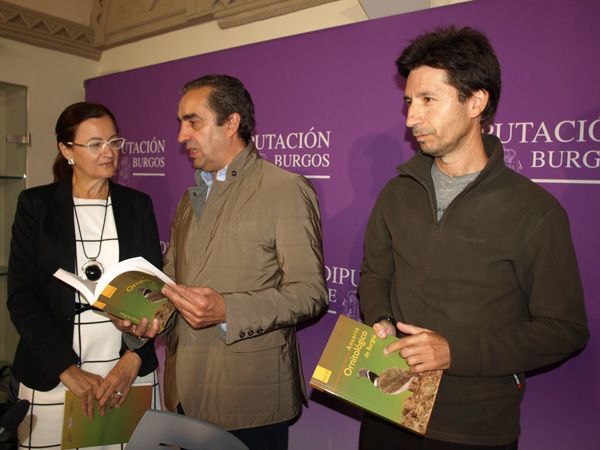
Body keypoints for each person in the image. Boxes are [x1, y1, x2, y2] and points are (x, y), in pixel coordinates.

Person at [358, 26, 589, 449]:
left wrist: (455, 351)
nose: (411, 118)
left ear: (476, 102)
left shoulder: (534, 211)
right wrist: (381, 320)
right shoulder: (397, 192)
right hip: (387, 408)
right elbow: (375, 270)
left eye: (428, 100)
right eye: (409, 101)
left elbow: (564, 330)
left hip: (473, 429)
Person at [126, 74, 328, 450]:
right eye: (180, 123)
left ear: (231, 123)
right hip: (185, 392)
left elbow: (311, 293)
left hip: (251, 400)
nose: (181, 136)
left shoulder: (285, 189)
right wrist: (141, 317)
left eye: (193, 121)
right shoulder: (191, 199)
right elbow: (172, 283)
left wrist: (227, 310)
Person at [7, 102, 162, 449]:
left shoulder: (137, 205)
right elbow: (21, 296)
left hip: (126, 370)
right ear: (66, 150)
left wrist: (132, 360)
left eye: (114, 142)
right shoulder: (37, 206)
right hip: (54, 371)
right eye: (95, 144)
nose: (109, 153)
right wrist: (67, 369)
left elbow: (154, 296)